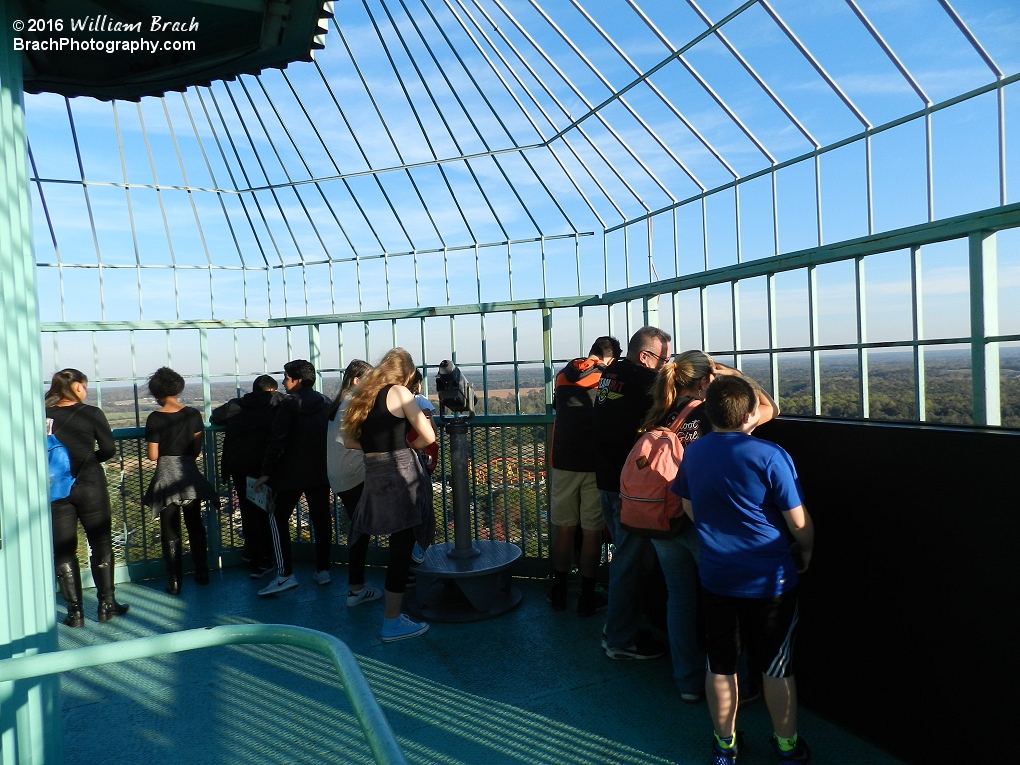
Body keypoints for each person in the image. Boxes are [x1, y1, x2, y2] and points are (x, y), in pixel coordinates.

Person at [673, 375, 814, 764]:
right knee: (776, 666)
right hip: (771, 580)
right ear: (752, 414)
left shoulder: (695, 453)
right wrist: (805, 552)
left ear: (708, 412)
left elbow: (689, 507)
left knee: (720, 665)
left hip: (717, 577)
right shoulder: (771, 456)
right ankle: (787, 747)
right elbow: (798, 522)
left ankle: (725, 747)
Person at [640, 351, 778, 702]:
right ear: (706, 380)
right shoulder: (713, 414)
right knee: (727, 609)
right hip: (702, 523)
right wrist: (738, 376)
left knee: (679, 600)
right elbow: (770, 409)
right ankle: (739, 686)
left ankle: (686, 682)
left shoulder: (661, 411)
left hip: (662, 518)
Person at [342, 348, 436, 642]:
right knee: (402, 545)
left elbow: (348, 440)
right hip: (400, 471)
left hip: (374, 472)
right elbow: (428, 436)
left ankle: (388, 614)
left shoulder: (363, 395)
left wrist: (375, 449)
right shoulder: (399, 393)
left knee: (379, 537)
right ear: (405, 373)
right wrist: (410, 447)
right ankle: (392, 622)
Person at [591, 326, 672, 660]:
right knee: (629, 561)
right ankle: (621, 639)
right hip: (632, 490)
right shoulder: (643, 382)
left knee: (626, 557)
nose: (667, 365)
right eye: (664, 359)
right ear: (644, 356)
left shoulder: (612, 373)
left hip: (608, 480)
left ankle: (620, 626)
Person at [45, 369, 128, 626]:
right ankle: (107, 604)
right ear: (78, 387)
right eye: (84, 385)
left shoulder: (42, 415)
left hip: (57, 487)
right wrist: (90, 460)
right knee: (101, 543)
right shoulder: (92, 413)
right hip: (91, 483)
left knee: (63, 549)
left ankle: (75, 613)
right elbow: (108, 449)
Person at [547, 336, 620, 616]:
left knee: (564, 527)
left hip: (563, 460)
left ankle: (559, 591)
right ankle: (587, 596)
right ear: (610, 358)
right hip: (595, 463)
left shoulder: (562, 375)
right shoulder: (608, 378)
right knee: (591, 530)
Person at [255, 359, 333, 596]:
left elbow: (277, 440)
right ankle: (323, 569)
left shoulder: (287, 406)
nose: (283, 381)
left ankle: (285, 573)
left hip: (289, 474)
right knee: (321, 519)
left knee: (277, 518)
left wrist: (266, 472)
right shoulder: (325, 403)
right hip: (320, 471)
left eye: (287, 377)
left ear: (296, 380)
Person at [142, 367, 218, 595]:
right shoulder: (193, 414)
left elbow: (153, 455)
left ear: (157, 392)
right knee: (195, 524)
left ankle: (174, 581)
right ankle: (202, 572)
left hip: (166, 475)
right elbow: (196, 449)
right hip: (188, 475)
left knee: (170, 529)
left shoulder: (154, 418)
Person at [210, 374, 282, 579]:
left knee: (249, 512)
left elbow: (215, 416)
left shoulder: (236, 405)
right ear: (272, 390)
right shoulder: (277, 402)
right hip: (268, 467)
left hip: (240, 466)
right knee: (269, 512)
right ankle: (267, 558)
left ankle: (254, 556)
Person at [326, 359, 380, 606]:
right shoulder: (352, 406)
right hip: (355, 473)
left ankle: (356, 586)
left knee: (360, 527)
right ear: (357, 380)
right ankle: (356, 589)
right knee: (362, 529)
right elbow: (351, 442)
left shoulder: (338, 404)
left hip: (339, 475)